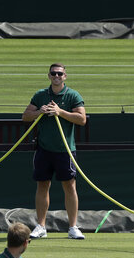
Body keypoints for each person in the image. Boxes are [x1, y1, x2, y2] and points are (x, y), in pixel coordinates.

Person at [22, 63, 87, 240]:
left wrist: (60, 111)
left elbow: (82, 119)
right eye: (53, 73)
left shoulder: (73, 95)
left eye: (60, 73)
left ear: (65, 76)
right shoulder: (41, 95)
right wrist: (39, 112)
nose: (57, 76)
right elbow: (25, 116)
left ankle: (73, 227)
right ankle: (41, 226)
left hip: (65, 149)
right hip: (44, 149)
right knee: (42, 185)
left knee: (69, 186)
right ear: (49, 76)